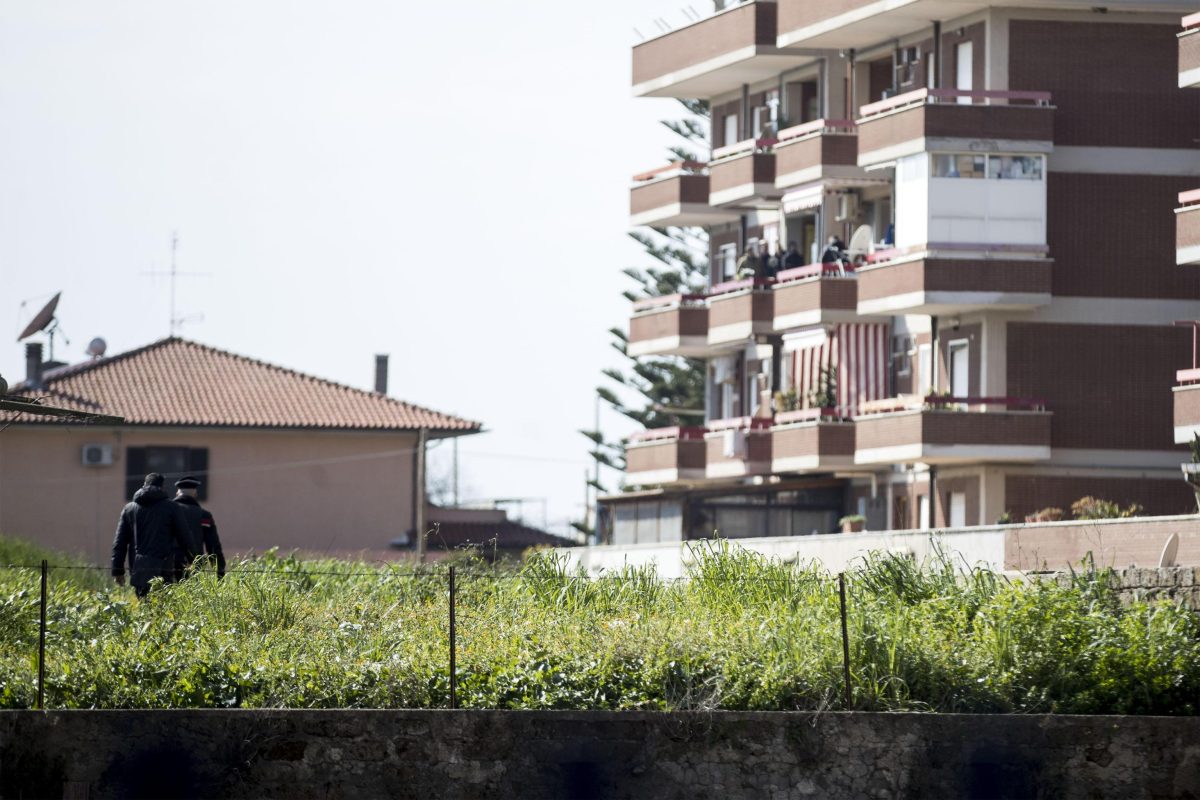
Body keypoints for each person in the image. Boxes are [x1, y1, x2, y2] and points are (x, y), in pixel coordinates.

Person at [111, 473, 194, 597]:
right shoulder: (172, 508)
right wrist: (192, 560)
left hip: (138, 568)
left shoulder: (129, 509)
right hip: (164, 567)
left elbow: (120, 542)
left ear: (144, 485)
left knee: (144, 606)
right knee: (164, 607)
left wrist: (118, 571)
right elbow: (185, 537)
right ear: (162, 487)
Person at [171, 476, 226, 581]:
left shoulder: (166, 512)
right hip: (194, 566)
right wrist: (220, 571)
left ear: (177, 493)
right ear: (195, 494)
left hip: (166, 566)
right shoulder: (204, 515)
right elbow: (213, 546)